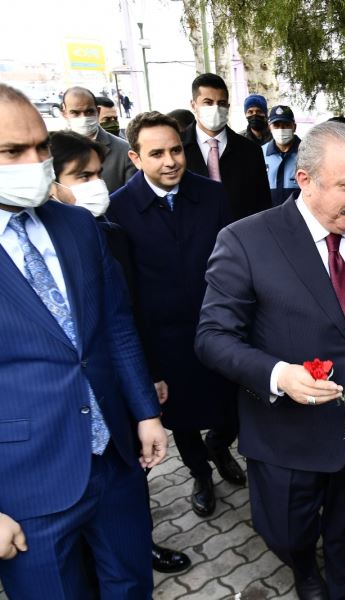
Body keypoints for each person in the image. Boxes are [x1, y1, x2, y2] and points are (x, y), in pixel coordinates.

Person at [195, 121, 345, 600]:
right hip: (287, 433)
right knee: (286, 530)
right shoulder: (245, 241)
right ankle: (303, 570)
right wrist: (278, 374)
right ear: (305, 180)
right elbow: (213, 338)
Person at [0, 82, 167, 597]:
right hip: (27, 488)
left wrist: (145, 412)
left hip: (116, 461)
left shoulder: (76, 225)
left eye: (40, 147)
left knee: (131, 585)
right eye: (11, 151)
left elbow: (115, 326)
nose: (34, 161)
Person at [47, 129, 192, 574]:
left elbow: (127, 318)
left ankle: (137, 546)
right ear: (50, 183)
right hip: (54, 422)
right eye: (81, 176)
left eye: (97, 173)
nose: (96, 184)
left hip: (116, 394)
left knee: (130, 484)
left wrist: (146, 386)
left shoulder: (108, 234)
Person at [107, 111, 243, 520]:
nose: (170, 161)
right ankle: (200, 473)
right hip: (163, 343)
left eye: (176, 150)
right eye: (157, 153)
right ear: (135, 158)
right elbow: (125, 295)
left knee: (233, 406)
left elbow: (236, 264)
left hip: (219, 329)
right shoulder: (119, 210)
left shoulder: (213, 195)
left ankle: (220, 445)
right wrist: (148, 367)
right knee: (181, 419)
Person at [182, 73, 271, 221]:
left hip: (240, 237)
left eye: (221, 103)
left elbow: (263, 205)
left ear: (228, 106)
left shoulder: (251, 151)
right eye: (208, 102)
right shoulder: (177, 148)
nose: (215, 108)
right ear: (193, 105)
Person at [61, 86, 135, 193]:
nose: (83, 118)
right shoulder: (52, 150)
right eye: (75, 113)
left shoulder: (124, 150)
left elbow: (132, 195)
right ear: (64, 113)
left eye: (89, 112)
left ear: (98, 111)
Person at [262, 105, 301, 206]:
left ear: (294, 127)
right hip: (268, 216)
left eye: (286, 125)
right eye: (276, 125)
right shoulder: (260, 153)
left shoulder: (306, 152)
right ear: (269, 127)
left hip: (298, 216)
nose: (281, 129)